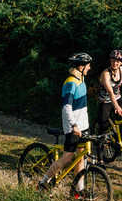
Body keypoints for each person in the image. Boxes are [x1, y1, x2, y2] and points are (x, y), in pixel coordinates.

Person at [39, 51, 92, 188]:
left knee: (81, 158)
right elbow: (66, 107)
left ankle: (78, 190)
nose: (90, 68)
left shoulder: (81, 79)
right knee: (67, 157)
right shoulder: (70, 83)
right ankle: (43, 182)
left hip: (83, 125)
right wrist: (74, 125)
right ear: (81, 67)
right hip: (73, 126)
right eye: (88, 65)